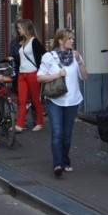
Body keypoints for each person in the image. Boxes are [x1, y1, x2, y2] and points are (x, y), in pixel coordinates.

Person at [37, 28, 88, 177]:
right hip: (55, 100)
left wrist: (80, 61)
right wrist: (57, 74)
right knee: (57, 133)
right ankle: (57, 164)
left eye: (73, 38)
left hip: (73, 100)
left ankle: (65, 161)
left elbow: (85, 77)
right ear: (60, 40)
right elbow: (39, 77)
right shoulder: (49, 57)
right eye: (69, 38)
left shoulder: (76, 56)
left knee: (67, 135)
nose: (72, 40)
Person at [13, 19, 46, 133]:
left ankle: (39, 122)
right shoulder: (22, 42)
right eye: (18, 28)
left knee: (35, 99)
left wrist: (42, 70)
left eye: (20, 28)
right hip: (22, 74)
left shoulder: (34, 41)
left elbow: (44, 54)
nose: (18, 30)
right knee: (22, 100)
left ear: (26, 28)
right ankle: (19, 124)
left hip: (32, 73)